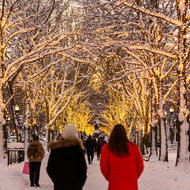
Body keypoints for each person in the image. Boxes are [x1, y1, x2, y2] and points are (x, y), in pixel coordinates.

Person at [100, 124, 144, 190]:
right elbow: (140, 166)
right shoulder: (134, 148)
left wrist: (111, 178)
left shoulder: (106, 149)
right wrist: (133, 177)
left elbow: (103, 167)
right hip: (131, 186)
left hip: (114, 185)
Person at [47, 125, 87, 190]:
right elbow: (83, 169)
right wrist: (79, 183)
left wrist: (56, 180)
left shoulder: (56, 149)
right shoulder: (78, 150)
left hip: (59, 185)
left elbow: (50, 168)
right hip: (75, 186)